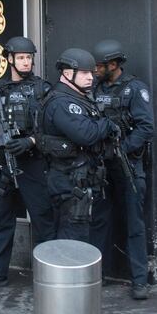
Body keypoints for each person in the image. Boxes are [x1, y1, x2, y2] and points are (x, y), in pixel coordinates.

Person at [0, 37, 55, 292]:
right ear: (9, 59)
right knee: (1, 221)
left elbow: (54, 127)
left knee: (43, 222)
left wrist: (31, 141)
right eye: (20, 57)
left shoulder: (43, 89)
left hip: (32, 163)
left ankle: (48, 276)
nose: (26, 62)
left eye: (29, 57)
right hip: (3, 163)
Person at [90, 40, 154, 301]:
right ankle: (96, 274)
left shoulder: (134, 89)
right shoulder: (95, 90)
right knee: (99, 222)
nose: (95, 70)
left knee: (134, 225)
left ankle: (139, 280)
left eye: (99, 65)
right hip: (103, 166)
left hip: (128, 167)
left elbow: (146, 127)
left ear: (113, 65)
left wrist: (123, 148)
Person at [39, 48, 116, 242]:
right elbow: (86, 134)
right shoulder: (62, 102)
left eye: (91, 72)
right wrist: (107, 124)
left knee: (80, 236)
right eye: (84, 72)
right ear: (67, 73)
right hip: (69, 181)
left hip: (79, 179)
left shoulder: (78, 97)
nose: (90, 77)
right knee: (72, 241)